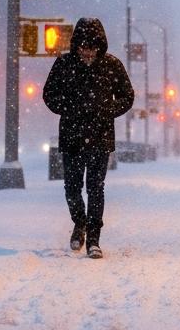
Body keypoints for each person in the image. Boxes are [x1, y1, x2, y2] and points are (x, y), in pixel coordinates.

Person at [42, 17, 135, 259]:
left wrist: (107, 109)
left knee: (95, 188)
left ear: (99, 46)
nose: (88, 52)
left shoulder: (111, 65)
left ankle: (94, 239)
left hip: (100, 136)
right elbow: (49, 94)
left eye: (92, 47)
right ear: (76, 45)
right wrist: (69, 108)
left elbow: (127, 96)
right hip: (72, 136)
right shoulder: (64, 64)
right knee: (72, 189)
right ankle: (79, 223)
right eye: (84, 47)